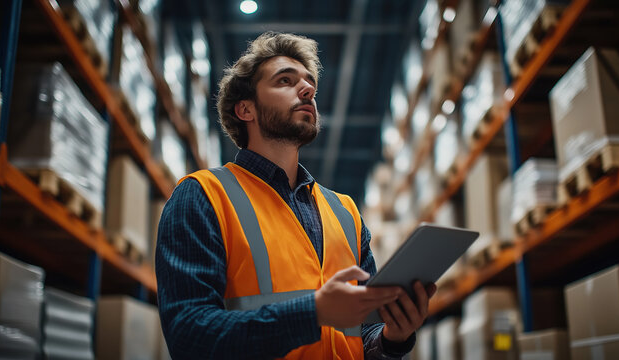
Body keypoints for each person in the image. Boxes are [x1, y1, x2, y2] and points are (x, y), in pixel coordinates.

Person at [156, 32, 437, 359]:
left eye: (309, 84)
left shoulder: (345, 213)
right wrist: (313, 313)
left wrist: (392, 337)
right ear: (246, 109)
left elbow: (364, 332)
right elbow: (188, 336)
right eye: (285, 81)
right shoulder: (203, 196)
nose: (307, 90)